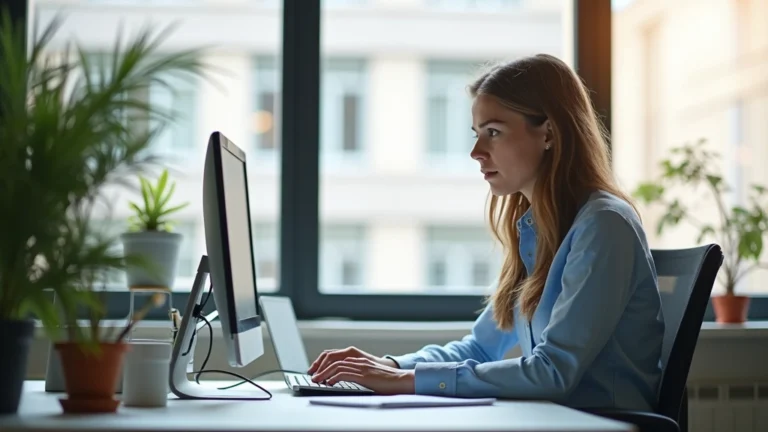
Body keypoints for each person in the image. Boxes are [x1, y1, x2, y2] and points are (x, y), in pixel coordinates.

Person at [308, 53, 665, 412]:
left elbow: (553, 371)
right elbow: (480, 347)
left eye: (493, 132)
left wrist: (406, 382)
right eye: (478, 134)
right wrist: (390, 366)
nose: (476, 152)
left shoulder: (603, 225)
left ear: (550, 133)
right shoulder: (539, 230)